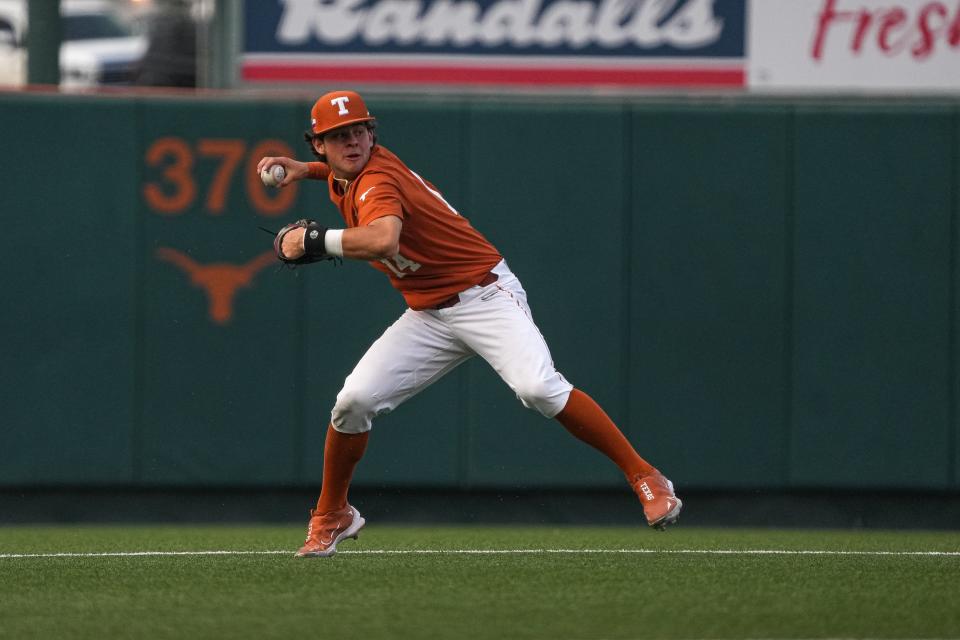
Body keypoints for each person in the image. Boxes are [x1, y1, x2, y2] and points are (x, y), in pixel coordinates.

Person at [257, 90, 682, 558]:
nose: (351, 141)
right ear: (319, 145)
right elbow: (341, 175)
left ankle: (645, 474)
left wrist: (315, 240)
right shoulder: (344, 174)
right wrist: (307, 172)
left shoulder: (376, 177)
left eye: (358, 130)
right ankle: (332, 513)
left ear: (372, 134)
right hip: (428, 314)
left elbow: (382, 240)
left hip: (484, 296)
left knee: (539, 389)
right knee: (352, 402)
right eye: (337, 136)